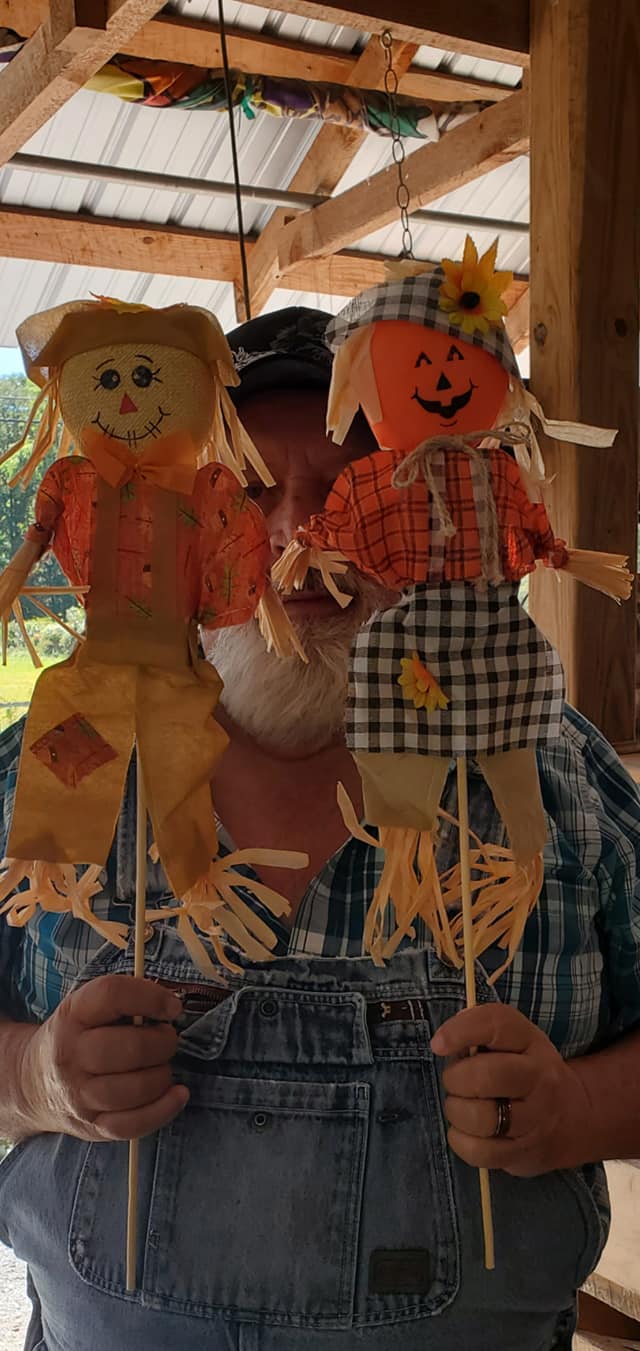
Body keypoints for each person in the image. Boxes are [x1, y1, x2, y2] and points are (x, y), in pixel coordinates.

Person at [0, 306, 639, 1351]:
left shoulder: (557, 775)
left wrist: (577, 1108)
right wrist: (35, 1078)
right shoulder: (60, 760)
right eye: (248, 488)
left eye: (355, 484)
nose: (300, 532)